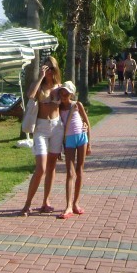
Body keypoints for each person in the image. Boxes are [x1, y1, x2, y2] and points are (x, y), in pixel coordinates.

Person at [20, 56, 62, 216]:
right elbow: (31, 95)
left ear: (56, 69)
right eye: (46, 67)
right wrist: (40, 77)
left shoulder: (60, 86)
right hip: (41, 128)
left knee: (51, 166)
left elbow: (68, 106)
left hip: (56, 127)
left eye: (51, 68)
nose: (49, 71)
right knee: (41, 168)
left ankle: (46, 201)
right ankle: (27, 203)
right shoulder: (38, 85)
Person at [57, 81, 91, 219]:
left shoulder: (77, 105)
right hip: (69, 140)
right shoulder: (58, 107)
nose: (64, 95)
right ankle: (68, 205)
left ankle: (76, 203)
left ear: (71, 94)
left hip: (81, 138)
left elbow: (87, 122)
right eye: (62, 93)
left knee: (79, 170)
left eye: (66, 93)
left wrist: (89, 143)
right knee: (70, 172)